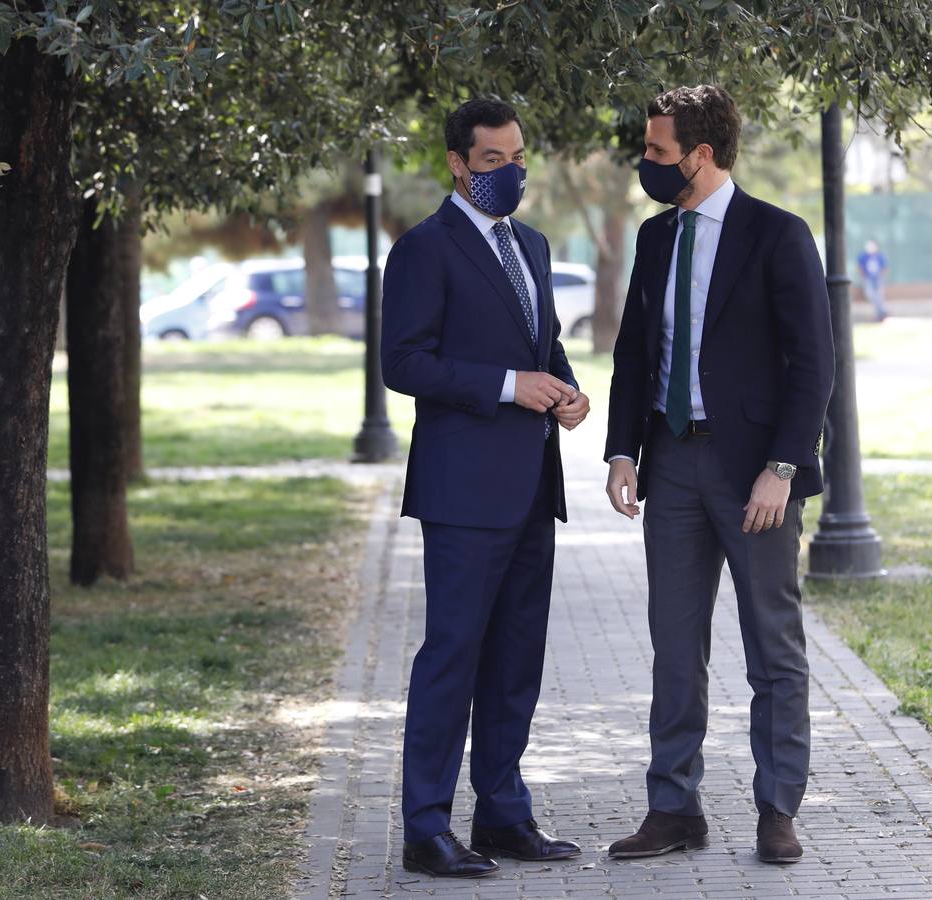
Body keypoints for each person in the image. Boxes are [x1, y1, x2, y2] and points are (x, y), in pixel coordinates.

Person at [603, 85, 835, 866]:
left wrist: (782, 467)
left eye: (659, 152)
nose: (648, 163)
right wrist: (622, 450)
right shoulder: (654, 237)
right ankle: (673, 807)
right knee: (675, 643)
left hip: (753, 475)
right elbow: (634, 351)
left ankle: (777, 808)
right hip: (669, 461)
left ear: (701, 156)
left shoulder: (777, 234)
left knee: (772, 645)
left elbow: (815, 363)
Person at [381, 98, 589, 880]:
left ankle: (503, 814)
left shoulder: (531, 246)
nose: (510, 173)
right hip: (463, 491)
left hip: (534, 485)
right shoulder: (424, 250)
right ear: (458, 166)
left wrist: (567, 392)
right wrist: (508, 386)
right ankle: (425, 829)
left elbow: (546, 343)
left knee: (515, 660)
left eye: (518, 157)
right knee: (454, 657)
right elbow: (401, 364)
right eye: (493, 161)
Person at [856, 239, 889, 321]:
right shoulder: (863, 256)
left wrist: (880, 276)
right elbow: (859, 266)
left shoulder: (879, 256)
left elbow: (885, 267)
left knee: (879, 296)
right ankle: (882, 312)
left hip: (877, 279)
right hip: (868, 279)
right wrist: (863, 276)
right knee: (870, 294)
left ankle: (880, 314)